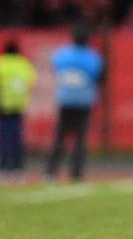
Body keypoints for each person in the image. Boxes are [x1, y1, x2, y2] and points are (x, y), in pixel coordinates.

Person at [44, 24, 104, 182]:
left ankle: (51, 171)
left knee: (59, 136)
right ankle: (76, 172)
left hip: (65, 99)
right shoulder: (92, 57)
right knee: (80, 138)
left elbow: (56, 70)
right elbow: (99, 78)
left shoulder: (62, 54)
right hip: (84, 101)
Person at [0, 39, 36, 177]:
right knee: (17, 137)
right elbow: (31, 81)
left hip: (2, 104)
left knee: (3, 137)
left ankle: (2, 166)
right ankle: (18, 166)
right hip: (19, 105)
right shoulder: (24, 64)